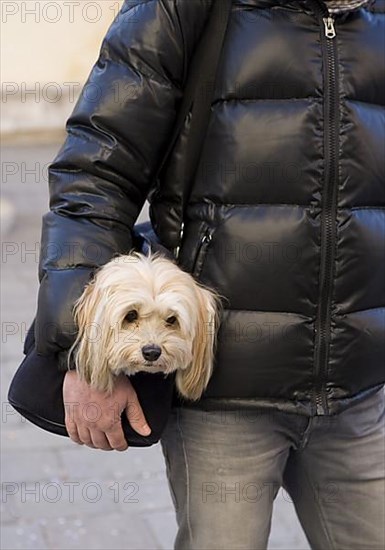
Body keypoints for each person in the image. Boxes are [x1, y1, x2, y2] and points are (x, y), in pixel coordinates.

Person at [34, 0, 384, 548]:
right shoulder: (183, 6)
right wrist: (79, 349)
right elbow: (93, 178)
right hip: (221, 398)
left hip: (360, 394)